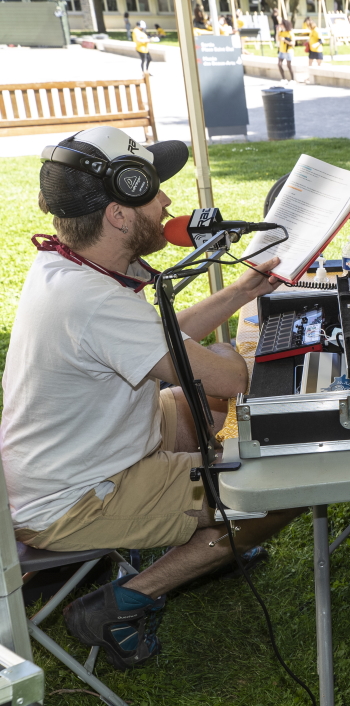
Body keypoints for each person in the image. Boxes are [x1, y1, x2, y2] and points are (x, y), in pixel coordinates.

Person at [2, 126, 304, 670]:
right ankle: (122, 602)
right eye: (155, 191)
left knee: (201, 414)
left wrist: (241, 292)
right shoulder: (94, 299)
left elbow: (158, 337)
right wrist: (239, 348)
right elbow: (230, 380)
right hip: (74, 500)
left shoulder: (71, 268)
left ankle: (209, 537)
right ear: (118, 214)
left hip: (69, 459)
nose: (167, 201)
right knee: (276, 488)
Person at [305, 17, 324, 82]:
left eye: (308, 26)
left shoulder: (316, 30)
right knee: (310, 63)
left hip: (318, 50)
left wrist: (316, 44)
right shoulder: (312, 31)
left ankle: (320, 77)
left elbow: (321, 40)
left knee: (319, 64)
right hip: (312, 50)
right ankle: (310, 76)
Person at [276, 18, 294, 84]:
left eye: (282, 24)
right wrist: (277, 31)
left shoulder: (290, 33)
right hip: (281, 50)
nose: (280, 25)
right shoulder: (281, 32)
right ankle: (283, 78)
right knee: (279, 64)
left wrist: (285, 40)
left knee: (289, 65)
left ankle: (292, 79)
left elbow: (293, 43)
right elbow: (277, 39)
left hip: (288, 51)